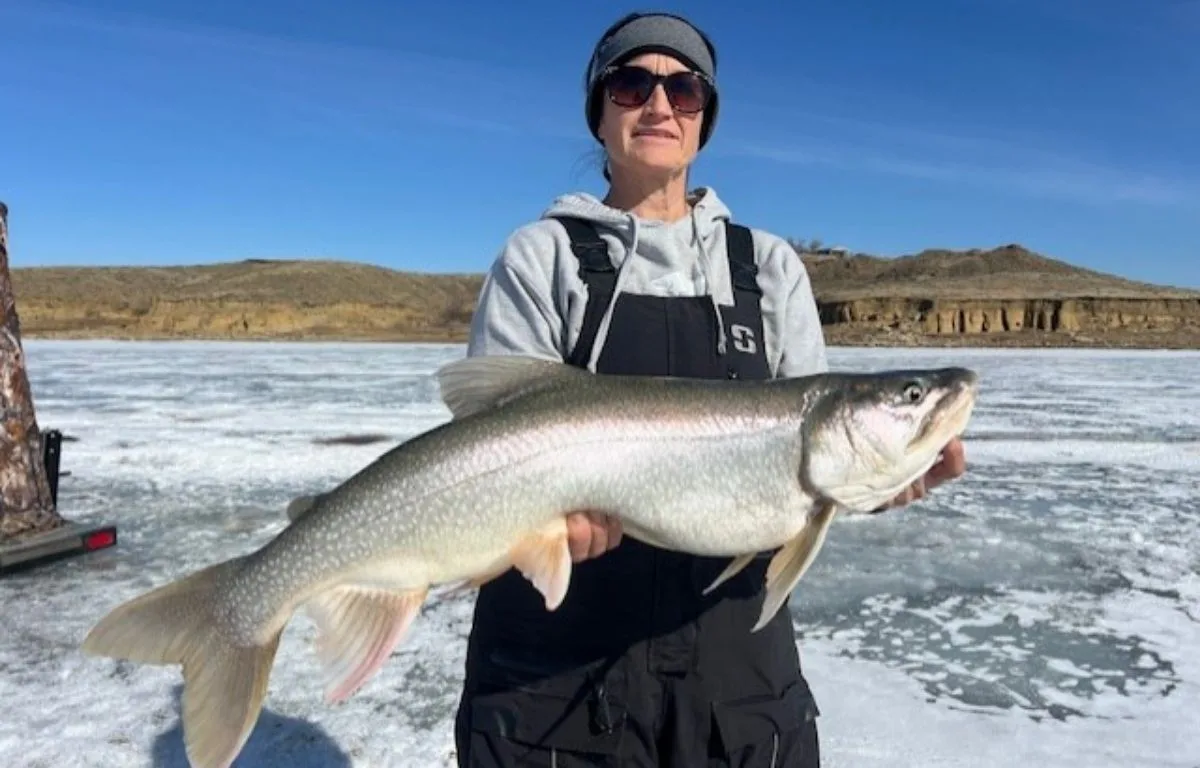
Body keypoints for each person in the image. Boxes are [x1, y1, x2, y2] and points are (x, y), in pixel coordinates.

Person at [453, 11, 967, 767]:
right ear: (599, 112)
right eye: (632, 84)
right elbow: (488, 446)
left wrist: (874, 483)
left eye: (684, 89)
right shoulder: (542, 258)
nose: (658, 106)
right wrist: (542, 525)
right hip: (553, 678)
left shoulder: (768, 268)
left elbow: (808, 471)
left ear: (705, 119)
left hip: (738, 685)